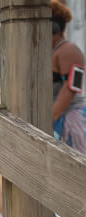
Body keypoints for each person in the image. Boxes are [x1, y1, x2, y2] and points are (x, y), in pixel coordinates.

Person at [52, 1, 86, 153]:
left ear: (53, 28)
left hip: (70, 120)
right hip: (57, 118)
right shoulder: (49, 51)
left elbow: (72, 87)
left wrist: (49, 118)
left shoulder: (69, 50)